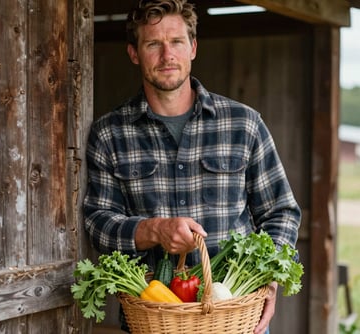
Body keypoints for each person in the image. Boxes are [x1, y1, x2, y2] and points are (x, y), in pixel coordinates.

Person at [83, 0, 301, 333]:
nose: (167, 55)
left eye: (177, 42)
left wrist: (268, 280)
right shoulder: (109, 133)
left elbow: (281, 212)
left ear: (193, 48)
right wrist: (154, 230)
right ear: (133, 53)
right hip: (154, 320)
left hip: (236, 316)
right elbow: (98, 223)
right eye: (153, 43)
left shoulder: (244, 124)